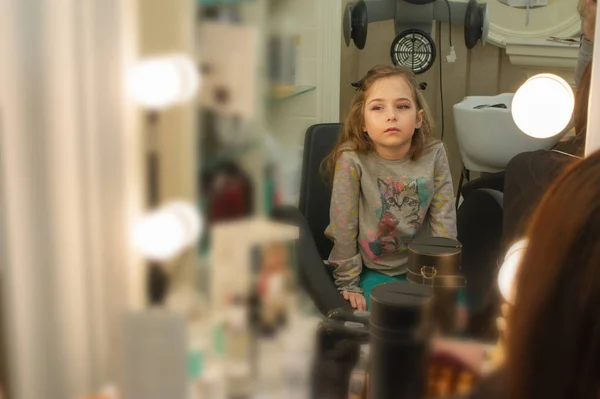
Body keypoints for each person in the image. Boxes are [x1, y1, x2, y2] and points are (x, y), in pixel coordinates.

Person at [323, 64, 457, 311]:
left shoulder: (434, 154)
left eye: (402, 106)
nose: (391, 115)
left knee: (455, 316)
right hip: (371, 269)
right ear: (362, 122)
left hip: (423, 270)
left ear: (418, 118)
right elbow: (343, 227)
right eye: (377, 107)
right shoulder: (352, 159)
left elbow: (444, 222)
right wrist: (348, 283)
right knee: (391, 317)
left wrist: (442, 277)